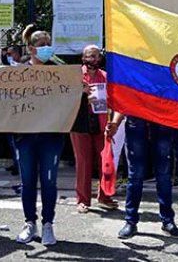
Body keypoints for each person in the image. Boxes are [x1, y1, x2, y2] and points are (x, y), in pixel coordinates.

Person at [14, 25, 65, 246]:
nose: (46, 48)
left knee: (49, 181)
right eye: (41, 45)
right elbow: (4, 96)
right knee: (27, 181)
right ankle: (29, 223)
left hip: (51, 135)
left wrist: (80, 91)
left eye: (48, 45)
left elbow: (71, 93)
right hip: (25, 135)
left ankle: (48, 225)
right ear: (31, 49)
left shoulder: (60, 71)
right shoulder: (19, 73)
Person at [106, 111, 178, 240]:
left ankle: (167, 221)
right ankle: (131, 221)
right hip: (136, 122)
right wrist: (115, 122)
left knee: (163, 175)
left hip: (162, 121)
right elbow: (124, 98)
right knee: (136, 175)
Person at [71, 45, 118, 213]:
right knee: (83, 162)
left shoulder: (105, 76)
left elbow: (113, 101)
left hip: (101, 121)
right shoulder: (75, 76)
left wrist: (112, 122)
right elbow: (65, 100)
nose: (94, 60)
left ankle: (104, 197)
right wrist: (82, 95)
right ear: (83, 58)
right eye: (90, 56)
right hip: (79, 123)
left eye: (97, 56)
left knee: (105, 161)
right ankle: (82, 200)